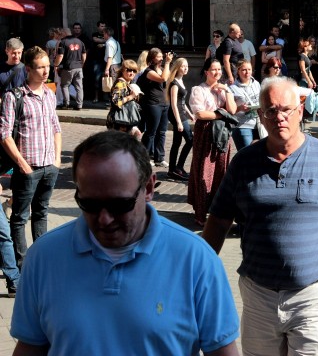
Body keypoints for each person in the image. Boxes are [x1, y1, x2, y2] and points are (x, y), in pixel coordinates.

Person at [10, 130, 240, 355]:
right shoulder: (44, 256)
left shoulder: (195, 259)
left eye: (119, 205)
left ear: (148, 188)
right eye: (89, 204)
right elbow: (30, 346)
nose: (104, 219)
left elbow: (222, 350)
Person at [202, 76, 318, 355]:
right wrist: (199, 271)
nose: (279, 117)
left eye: (286, 109)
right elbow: (218, 221)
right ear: (261, 116)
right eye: (271, 110)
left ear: (300, 111)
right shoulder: (243, 162)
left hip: (314, 295)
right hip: (259, 296)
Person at [0, 46, 61, 268]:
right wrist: (22, 163)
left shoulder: (50, 94)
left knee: (41, 214)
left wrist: (57, 159)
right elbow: (4, 134)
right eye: (40, 67)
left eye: (48, 66)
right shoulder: (14, 97)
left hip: (49, 165)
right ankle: (23, 265)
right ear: (28, 69)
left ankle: (40, 262)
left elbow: (55, 127)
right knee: (20, 217)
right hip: (28, 168)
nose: (46, 71)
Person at [188, 58, 236, 227]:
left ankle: (217, 212)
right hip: (205, 133)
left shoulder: (223, 89)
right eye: (213, 69)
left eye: (219, 69)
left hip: (222, 132)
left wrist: (227, 91)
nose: (217, 72)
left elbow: (233, 110)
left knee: (220, 171)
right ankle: (200, 213)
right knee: (204, 171)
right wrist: (222, 114)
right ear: (206, 72)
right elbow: (200, 114)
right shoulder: (198, 90)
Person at [138, 48, 173, 168]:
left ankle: (159, 158)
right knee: (151, 132)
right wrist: (167, 63)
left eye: (162, 56)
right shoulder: (148, 71)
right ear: (152, 58)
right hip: (153, 104)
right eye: (158, 57)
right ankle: (144, 157)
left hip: (164, 103)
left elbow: (168, 79)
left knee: (162, 132)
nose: (162, 58)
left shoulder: (162, 69)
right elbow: (163, 79)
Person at [166, 57, 193, 180]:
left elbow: (182, 101)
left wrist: (190, 114)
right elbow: (174, 104)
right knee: (190, 140)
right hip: (177, 115)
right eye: (183, 66)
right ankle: (178, 167)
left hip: (182, 114)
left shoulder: (181, 81)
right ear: (177, 68)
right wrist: (178, 122)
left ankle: (172, 169)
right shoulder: (174, 84)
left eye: (187, 66)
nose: (186, 68)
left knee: (176, 142)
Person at [106, 60, 143, 141]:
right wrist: (131, 96)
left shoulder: (126, 83)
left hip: (124, 119)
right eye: (129, 70)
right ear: (123, 70)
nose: (132, 73)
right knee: (119, 144)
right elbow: (116, 101)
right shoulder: (120, 83)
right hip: (119, 121)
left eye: (134, 71)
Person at [229, 59, 261, 150]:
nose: (247, 72)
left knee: (259, 153)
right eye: (244, 70)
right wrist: (240, 108)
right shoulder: (232, 88)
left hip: (258, 124)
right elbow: (230, 111)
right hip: (242, 125)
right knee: (247, 153)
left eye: (249, 69)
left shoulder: (256, 84)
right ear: (238, 71)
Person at [54, 27, 87, 110]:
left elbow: (60, 56)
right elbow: (84, 54)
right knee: (79, 87)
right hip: (79, 67)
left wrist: (56, 65)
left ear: (64, 33)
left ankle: (66, 104)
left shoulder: (63, 42)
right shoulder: (80, 41)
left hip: (68, 67)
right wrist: (82, 64)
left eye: (61, 33)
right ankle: (79, 105)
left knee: (64, 86)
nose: (61, 35)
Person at [91, 21, 107, 103]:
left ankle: (106, 97)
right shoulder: (95, 34)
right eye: (101, 26)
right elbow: (95, 40)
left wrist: (104, 43)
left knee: (106, 79)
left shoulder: (107, 34)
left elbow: (110, 41)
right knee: (96, 79)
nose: (103, 28)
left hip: (106, 60)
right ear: (98, 27)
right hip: (97, 60)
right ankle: (96, 97)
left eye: (104, 26)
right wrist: (105, 41)